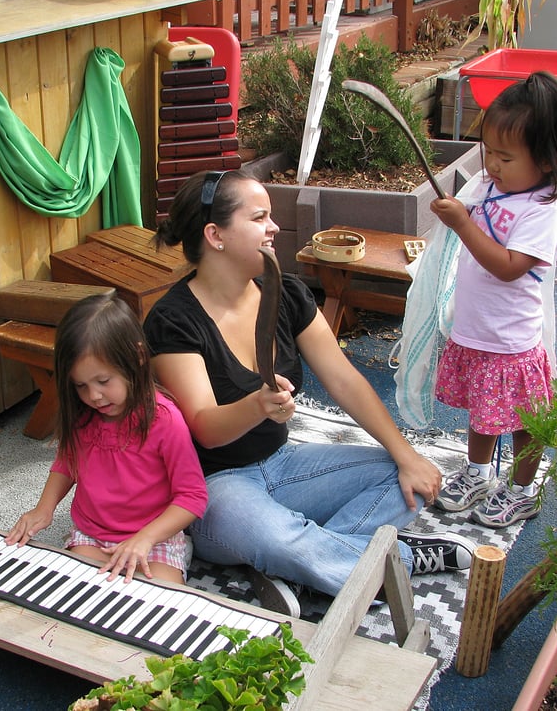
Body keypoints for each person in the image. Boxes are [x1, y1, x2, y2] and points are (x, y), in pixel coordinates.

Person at [142, 168, 476, 617]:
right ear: (215, 234)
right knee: (271, 535)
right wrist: (256, 405)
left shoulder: (289, 293)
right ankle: (397, 561)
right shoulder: (173, 320)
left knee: (400, 475)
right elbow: (205, 428)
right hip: (214, 489)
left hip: (285, 465)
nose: (274, 227)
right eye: (260, 217)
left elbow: (345, 379)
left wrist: (406, 454)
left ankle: (305, 570)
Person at [429, 71, 557, 528]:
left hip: (512, 340)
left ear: (550, 161)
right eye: (489, 152)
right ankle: (478, 472)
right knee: (483, 407)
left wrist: (463, 224)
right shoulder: (497, 187)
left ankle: (523, 487)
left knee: (522, 420)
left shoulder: (542, 209)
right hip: (477, 329)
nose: (492, 165)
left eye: (506, 157)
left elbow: (509, 266)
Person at [5, 292, 207, 585]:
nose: (93, 396)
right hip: (93, 533)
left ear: (137, 357)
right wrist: (43, 509)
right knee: (81, 594)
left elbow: (193, 496)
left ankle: (179, 551)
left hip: (153, 539)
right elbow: (67, 462)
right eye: (80, 385)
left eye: (103, 381)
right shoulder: (83, 411)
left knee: (161, 602)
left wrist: (145, 539)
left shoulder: (165, 419)